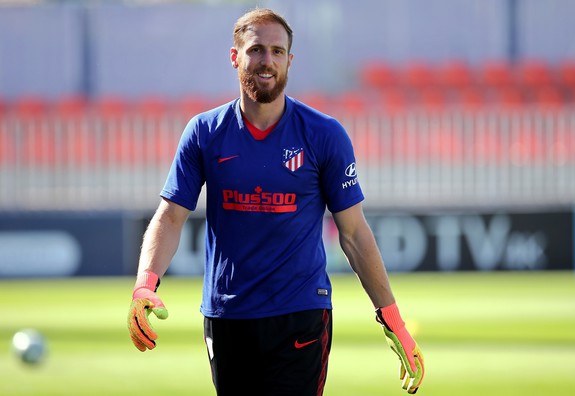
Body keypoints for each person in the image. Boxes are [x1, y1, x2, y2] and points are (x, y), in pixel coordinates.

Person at [127, 7, 424, 395]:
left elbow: (353, 233)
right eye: (256, 50)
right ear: (235, 56)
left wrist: (392, 318)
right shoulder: (204, 132)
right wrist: (144, 284)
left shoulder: (325, 135)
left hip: (300, 316)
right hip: (227, 315)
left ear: (289, 60)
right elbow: (169, 218)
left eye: (277, 51)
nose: (267, 61)